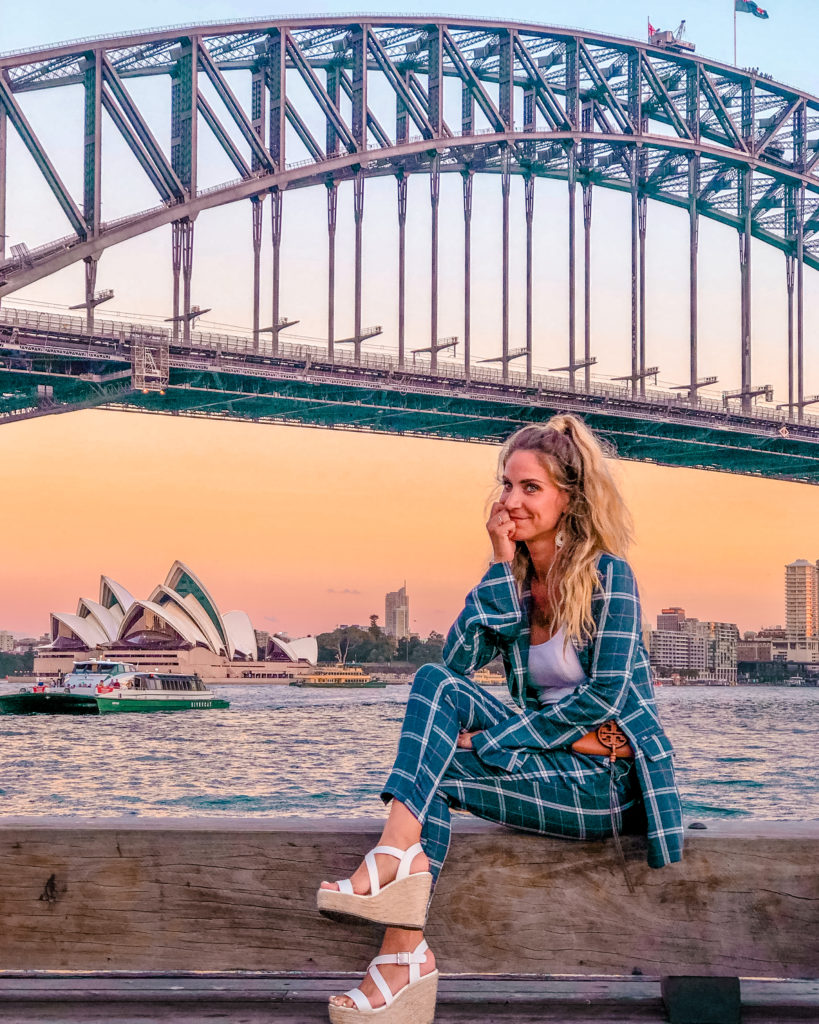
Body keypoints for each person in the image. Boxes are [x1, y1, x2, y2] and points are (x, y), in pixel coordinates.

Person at [317, 413, 684, 1024]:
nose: (511, 501)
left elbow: (607, 700)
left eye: (530, 488)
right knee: (433, 698)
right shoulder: (512, 582)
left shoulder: (610, 577)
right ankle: (400, 936)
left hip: (607, 790)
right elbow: (455, 666)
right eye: (506, 486)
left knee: (435, 766)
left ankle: (396, 924)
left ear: (570, 500)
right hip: (556, 762)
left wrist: (498, 739)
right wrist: (497, 561)